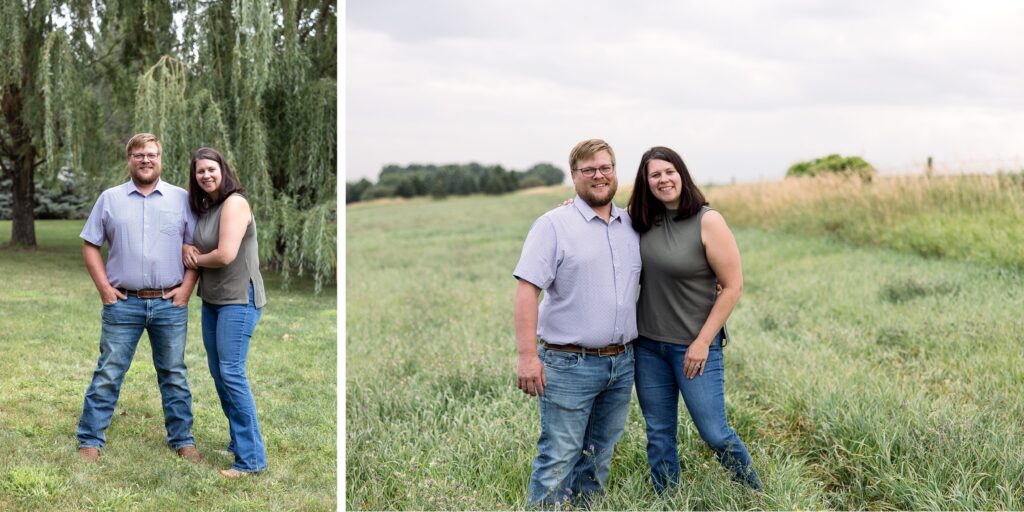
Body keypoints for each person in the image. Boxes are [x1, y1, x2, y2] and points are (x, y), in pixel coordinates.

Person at [513, 138, 641, 508]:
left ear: (615, 171)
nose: (599, 175)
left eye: (606, 167)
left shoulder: (632, 225)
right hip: (569, 364)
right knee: (558, 458)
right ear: (574, 176)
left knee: (597, 459)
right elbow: (526, 292)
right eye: (589, 170)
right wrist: (526, 356)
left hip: (622, 363)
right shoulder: (553, 225)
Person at [627, 146, 763, 492]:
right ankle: (667, 497)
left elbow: (733, 287)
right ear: (646, 182)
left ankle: (754, 493)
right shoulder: (639, 220)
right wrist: (570, 208)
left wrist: (702, 342)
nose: (663, 179)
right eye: (655, 174)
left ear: (682, 175)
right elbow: (600, 219)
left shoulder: (708, 220)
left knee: (714, 432)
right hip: (647, 347)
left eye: (669, 171)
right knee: (658, 434)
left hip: (694, 346)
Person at [76, 133, 201, 463]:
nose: (146, 160)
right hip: (123, 303)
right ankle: (90, 438)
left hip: (169, 304)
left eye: (152, 154)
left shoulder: (181, 199)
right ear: (129, 159)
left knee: (174, 373)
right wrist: (104, 289)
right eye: (139, 155)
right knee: (109, 371)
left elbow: (195, 250)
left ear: (161, 159)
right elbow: (90, 244)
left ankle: (182, 439)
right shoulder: (110, 199)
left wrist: (186, 290)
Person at [182, 147, 268, 478]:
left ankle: (252, 460)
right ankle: (238, 442)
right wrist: (186, 248)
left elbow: (225, 254)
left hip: (239, 299)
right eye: (199, 171)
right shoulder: (209, 207)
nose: (205, 175)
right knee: (220, 375)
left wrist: (194, 258)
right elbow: (198, 245)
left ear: (223, 169)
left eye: (210, 169)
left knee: (232, 373)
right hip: (214, 299)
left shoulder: (234, 203)